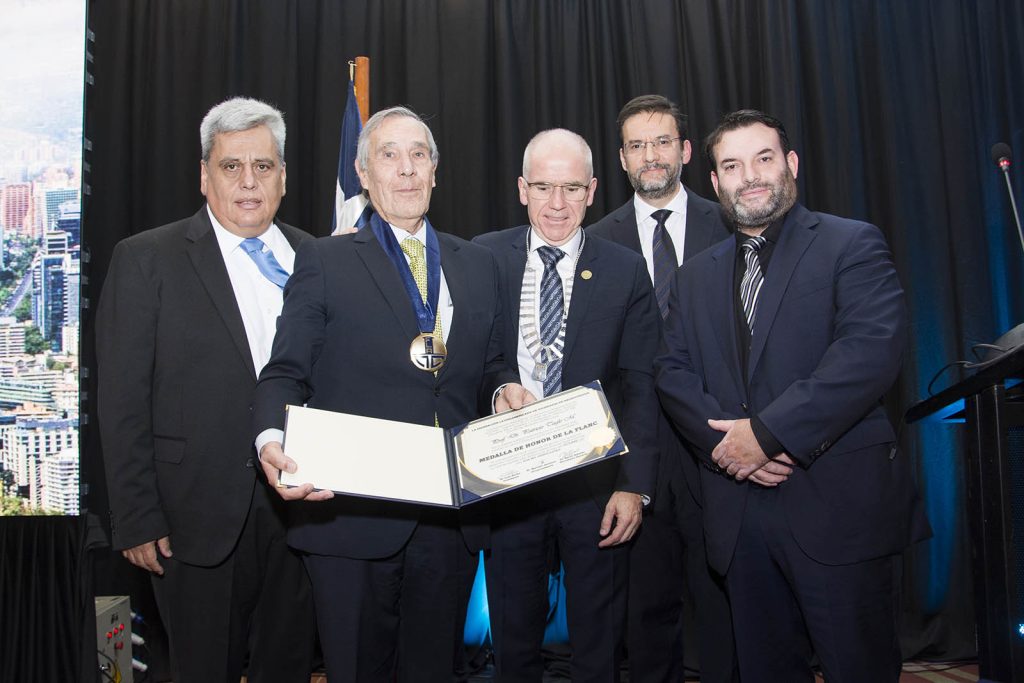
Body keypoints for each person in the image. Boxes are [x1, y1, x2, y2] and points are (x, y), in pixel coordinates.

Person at [655, 109, 931, 682]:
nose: (750, 176)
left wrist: (766, 435)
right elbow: (672, 372)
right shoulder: (693, 277)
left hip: (837, 509)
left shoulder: (850, 243)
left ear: (792, 164)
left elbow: (869, 354)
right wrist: (732, 449)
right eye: (732, 166)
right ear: (715, 181)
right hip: (739, 519)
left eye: (764, 158)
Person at [253, 106, 519, 683]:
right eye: (389, 155)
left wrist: (503, 390)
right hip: (350, 518)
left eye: (418, 155)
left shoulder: (478, 264)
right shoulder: (324, 260)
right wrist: (271, 438)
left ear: (435, 171)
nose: (406, 169)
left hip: (448, 524)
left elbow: (492, 365)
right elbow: (285, 372)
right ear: (363, 173)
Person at [96, 97, 315, 683]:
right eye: (230, 166)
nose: (248, 182)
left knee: (289, 668)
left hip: (304, 517)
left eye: (263, 166)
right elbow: (121, 401)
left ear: (283, 176)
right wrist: (136, 516)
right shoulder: (145, 260)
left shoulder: (317, 258)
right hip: (191, 521)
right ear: (203, 175)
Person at [475, 129, 660, 682]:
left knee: (599, 644)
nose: (557, 203)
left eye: (572, 188)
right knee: (512, 642)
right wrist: (499, 388)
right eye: (543, 187)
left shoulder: (625, 269)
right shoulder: (484, 258)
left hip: (596, 488)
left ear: (593, 191)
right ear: (521, 189)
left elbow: (642, 384)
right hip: (511, 483)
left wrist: (633, 485)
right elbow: (476, 360)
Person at [588, 94, 736, 683]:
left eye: (662, 142)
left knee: (728, 606)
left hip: (721, 444)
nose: (651, 155)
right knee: (646, 613)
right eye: (637, 145)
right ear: (621, 159)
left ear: (686, 150)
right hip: (635, 454)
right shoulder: (594, 240)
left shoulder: (731, 222)